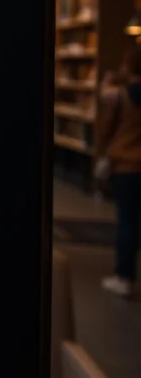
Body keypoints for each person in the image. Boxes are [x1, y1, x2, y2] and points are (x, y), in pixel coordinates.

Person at [97, 46, 141, 298]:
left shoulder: (121, 96)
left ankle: (124, 276)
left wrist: (108, 81)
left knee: (127, 221)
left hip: (127, 165)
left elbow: (104, 100)